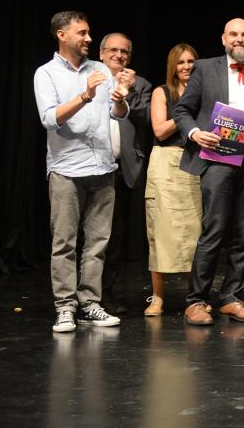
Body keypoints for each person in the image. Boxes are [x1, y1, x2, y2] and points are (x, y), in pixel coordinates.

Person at [174, 17, 244, 325]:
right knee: (215, 229)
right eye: (233, 34)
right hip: (217, 156)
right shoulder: (205, 68)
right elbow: (182, 110)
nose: (239, 39)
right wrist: (195, 133)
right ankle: (196, 301)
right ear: (223, 39)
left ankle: (232, 297)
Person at [34, 11, 129, 332]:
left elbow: (117, 115)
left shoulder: (100, 69)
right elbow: (50, 118)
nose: (89, 39)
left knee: (98, 242)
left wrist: (119, 100)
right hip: (66, 170)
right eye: (82, 33)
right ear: (62, 35)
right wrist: (85, 95)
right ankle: (65, 306)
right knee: (65, 243)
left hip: (103, 168)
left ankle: (90, 303)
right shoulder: (45, 74)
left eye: (89, 33)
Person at [142, 43, 203, 316]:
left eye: (191, 61)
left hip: (195, 161)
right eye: (181, 62)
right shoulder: (161, 92)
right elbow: (159, 130)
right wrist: (185, 112)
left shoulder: (203, 93)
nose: (186, 67)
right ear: (173, 66)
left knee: (195, 232)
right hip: (166, 162)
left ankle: (196, 297)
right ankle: (157, 297)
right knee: (161, 231)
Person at [98, 32, 153, 314]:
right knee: (90, 236)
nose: (119, 56)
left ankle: (105, 294)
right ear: (101, 53)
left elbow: (147, 120)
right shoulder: (89, 80)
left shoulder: (141, 84)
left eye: (124, 52)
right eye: (113, 51)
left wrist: (128, 90)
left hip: (123, 168)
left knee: (115, 237)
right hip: (91, 168)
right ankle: (82, 295)